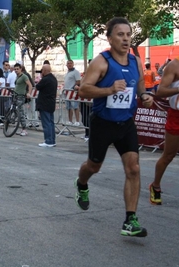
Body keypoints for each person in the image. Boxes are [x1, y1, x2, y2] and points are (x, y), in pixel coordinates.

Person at [75, 17, 153, 237]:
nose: (126, 39)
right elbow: (83, 91)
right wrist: (109, 90)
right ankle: (81, 184)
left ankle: (130, 220)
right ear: (110, 38)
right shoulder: (101, 62)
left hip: (126, 123)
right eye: (120, 35)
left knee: (134, 168)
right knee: (93, 167)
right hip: (103, 123)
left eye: (128, 35)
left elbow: (139, 84)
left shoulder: (136, 61)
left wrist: (144, 95)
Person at [149, 57, 179, 205]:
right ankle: (155, 185)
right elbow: (160, 91)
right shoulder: (175, 65)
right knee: (168, 156)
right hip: (176, 116)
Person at [36, 64, 58, 147]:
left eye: (42, 70)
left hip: (44, 103)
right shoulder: (54, 78)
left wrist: (41, 77)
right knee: (51, 123)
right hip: (51, 103)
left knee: (46, 123)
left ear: (44, 71)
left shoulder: (45, 79)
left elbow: (38, 86)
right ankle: (52, 140)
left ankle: (48, 141)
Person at [13, 63, 33, 136]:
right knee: (16, 111)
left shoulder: (24, 76)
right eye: (15, 69)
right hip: (16, 95)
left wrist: (29, 93)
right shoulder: (17, 76)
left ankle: (24, 129)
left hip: (21, 96)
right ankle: (20, 127)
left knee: (21, 112)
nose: (16, 70)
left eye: (17, 69)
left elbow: (30, 85)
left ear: (21, 69)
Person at [64, 60, 81, 126]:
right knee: (68, 107)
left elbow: (78, 81)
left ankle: (77, 121)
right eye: (68, 63)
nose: (69, 64)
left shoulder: (76, 72)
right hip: (67, 92)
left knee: (75, 106)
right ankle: (70, 121)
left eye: (71, 63)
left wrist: (73, 87)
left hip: (72, 92)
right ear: (66, 65)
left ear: (73, 64)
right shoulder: (67, 73)